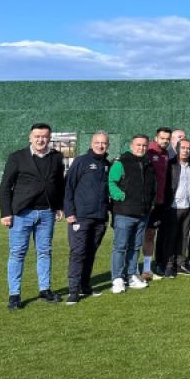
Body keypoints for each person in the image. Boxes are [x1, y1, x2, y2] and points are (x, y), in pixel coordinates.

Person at [0, 122, 66, 309]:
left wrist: (59, 206)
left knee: (45, 252)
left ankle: (45, 290)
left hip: (47, 214)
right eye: (37, 136)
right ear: (30, 137)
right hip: (22, 214)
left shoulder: (56, 157)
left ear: (49, 138)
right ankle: (14, 295)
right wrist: (6, 213)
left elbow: (59, 184)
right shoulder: (17, 157)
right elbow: (5, 186)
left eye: (44, 136)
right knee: (17, 253)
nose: (40, 140)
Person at [63, 131, 111, 304]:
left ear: (108, 145)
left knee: (91, 253)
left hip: (100, 217)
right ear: (91, 144)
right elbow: (68, 186)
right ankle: (73, 291)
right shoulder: (81, 161)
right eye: (97, 142)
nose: (100, 145)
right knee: (78, 253)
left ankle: (85, 286)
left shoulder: (107, 164)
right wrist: (69, 212)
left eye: (103, 143)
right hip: (81, 217)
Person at [108, 134, 156, 293]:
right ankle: (117, 279)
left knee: (135, 247)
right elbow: (111, 182)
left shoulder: (148, 163)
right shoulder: (121, 162)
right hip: (124, 212)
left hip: (142, 214)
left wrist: (151, 202)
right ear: (131, 146)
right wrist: (120, 196)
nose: (141, 148)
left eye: (144, 145)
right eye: (138, 145)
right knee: (120, 247)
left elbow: (153, 186)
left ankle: (131, 275)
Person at [160, 138, 190, 276]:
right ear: (177, 149)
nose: (186, 151)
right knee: (171, 237)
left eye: (188, 148)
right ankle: (169, 265)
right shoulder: (170, 165)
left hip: (188, 207)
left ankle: (180, 264)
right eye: (183, 148)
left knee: (184, 237)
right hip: (173, 207)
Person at [143, 127, 171, 280]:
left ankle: (147, 270)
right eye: (162, 138)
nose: (165, 141)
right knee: (136, 236)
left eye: (167, 139)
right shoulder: (148, 152)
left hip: (159, 202)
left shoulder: (166, 154)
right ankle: (130, 270)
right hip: (146, 203)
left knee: (150, 234)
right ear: (156, 138)